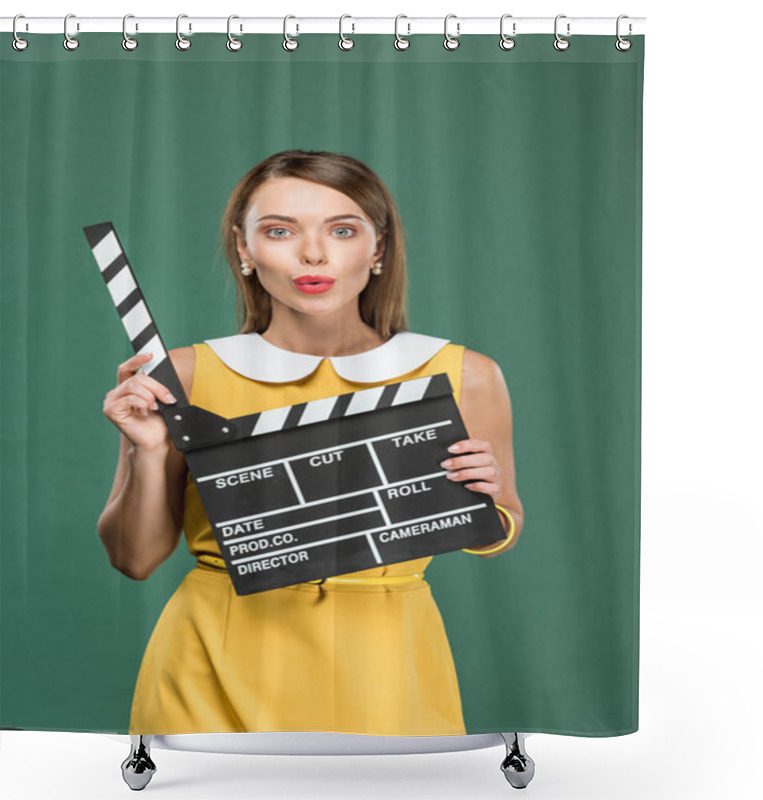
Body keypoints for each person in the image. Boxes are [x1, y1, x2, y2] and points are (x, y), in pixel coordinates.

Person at [98, 149, 524, 736]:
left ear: (378, 248)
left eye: (342, 230)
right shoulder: (184, 375)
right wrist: (144, 451)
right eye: (279, 231)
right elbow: (135, 559)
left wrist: (480, 499)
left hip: (387, 661)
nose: (313, 254)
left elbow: (502, 528)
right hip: (214, 659)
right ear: (244, 249)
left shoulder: (465, 373)